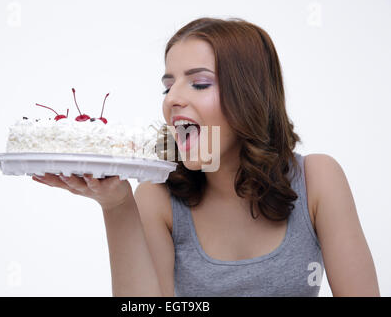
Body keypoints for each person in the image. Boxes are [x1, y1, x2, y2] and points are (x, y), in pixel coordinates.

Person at [32, 17, 380, 297]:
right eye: (168, 87)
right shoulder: (158, 197)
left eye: (198, 84)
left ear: (249, 97)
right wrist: (116, 206)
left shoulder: (317, 179)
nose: (172, 100)